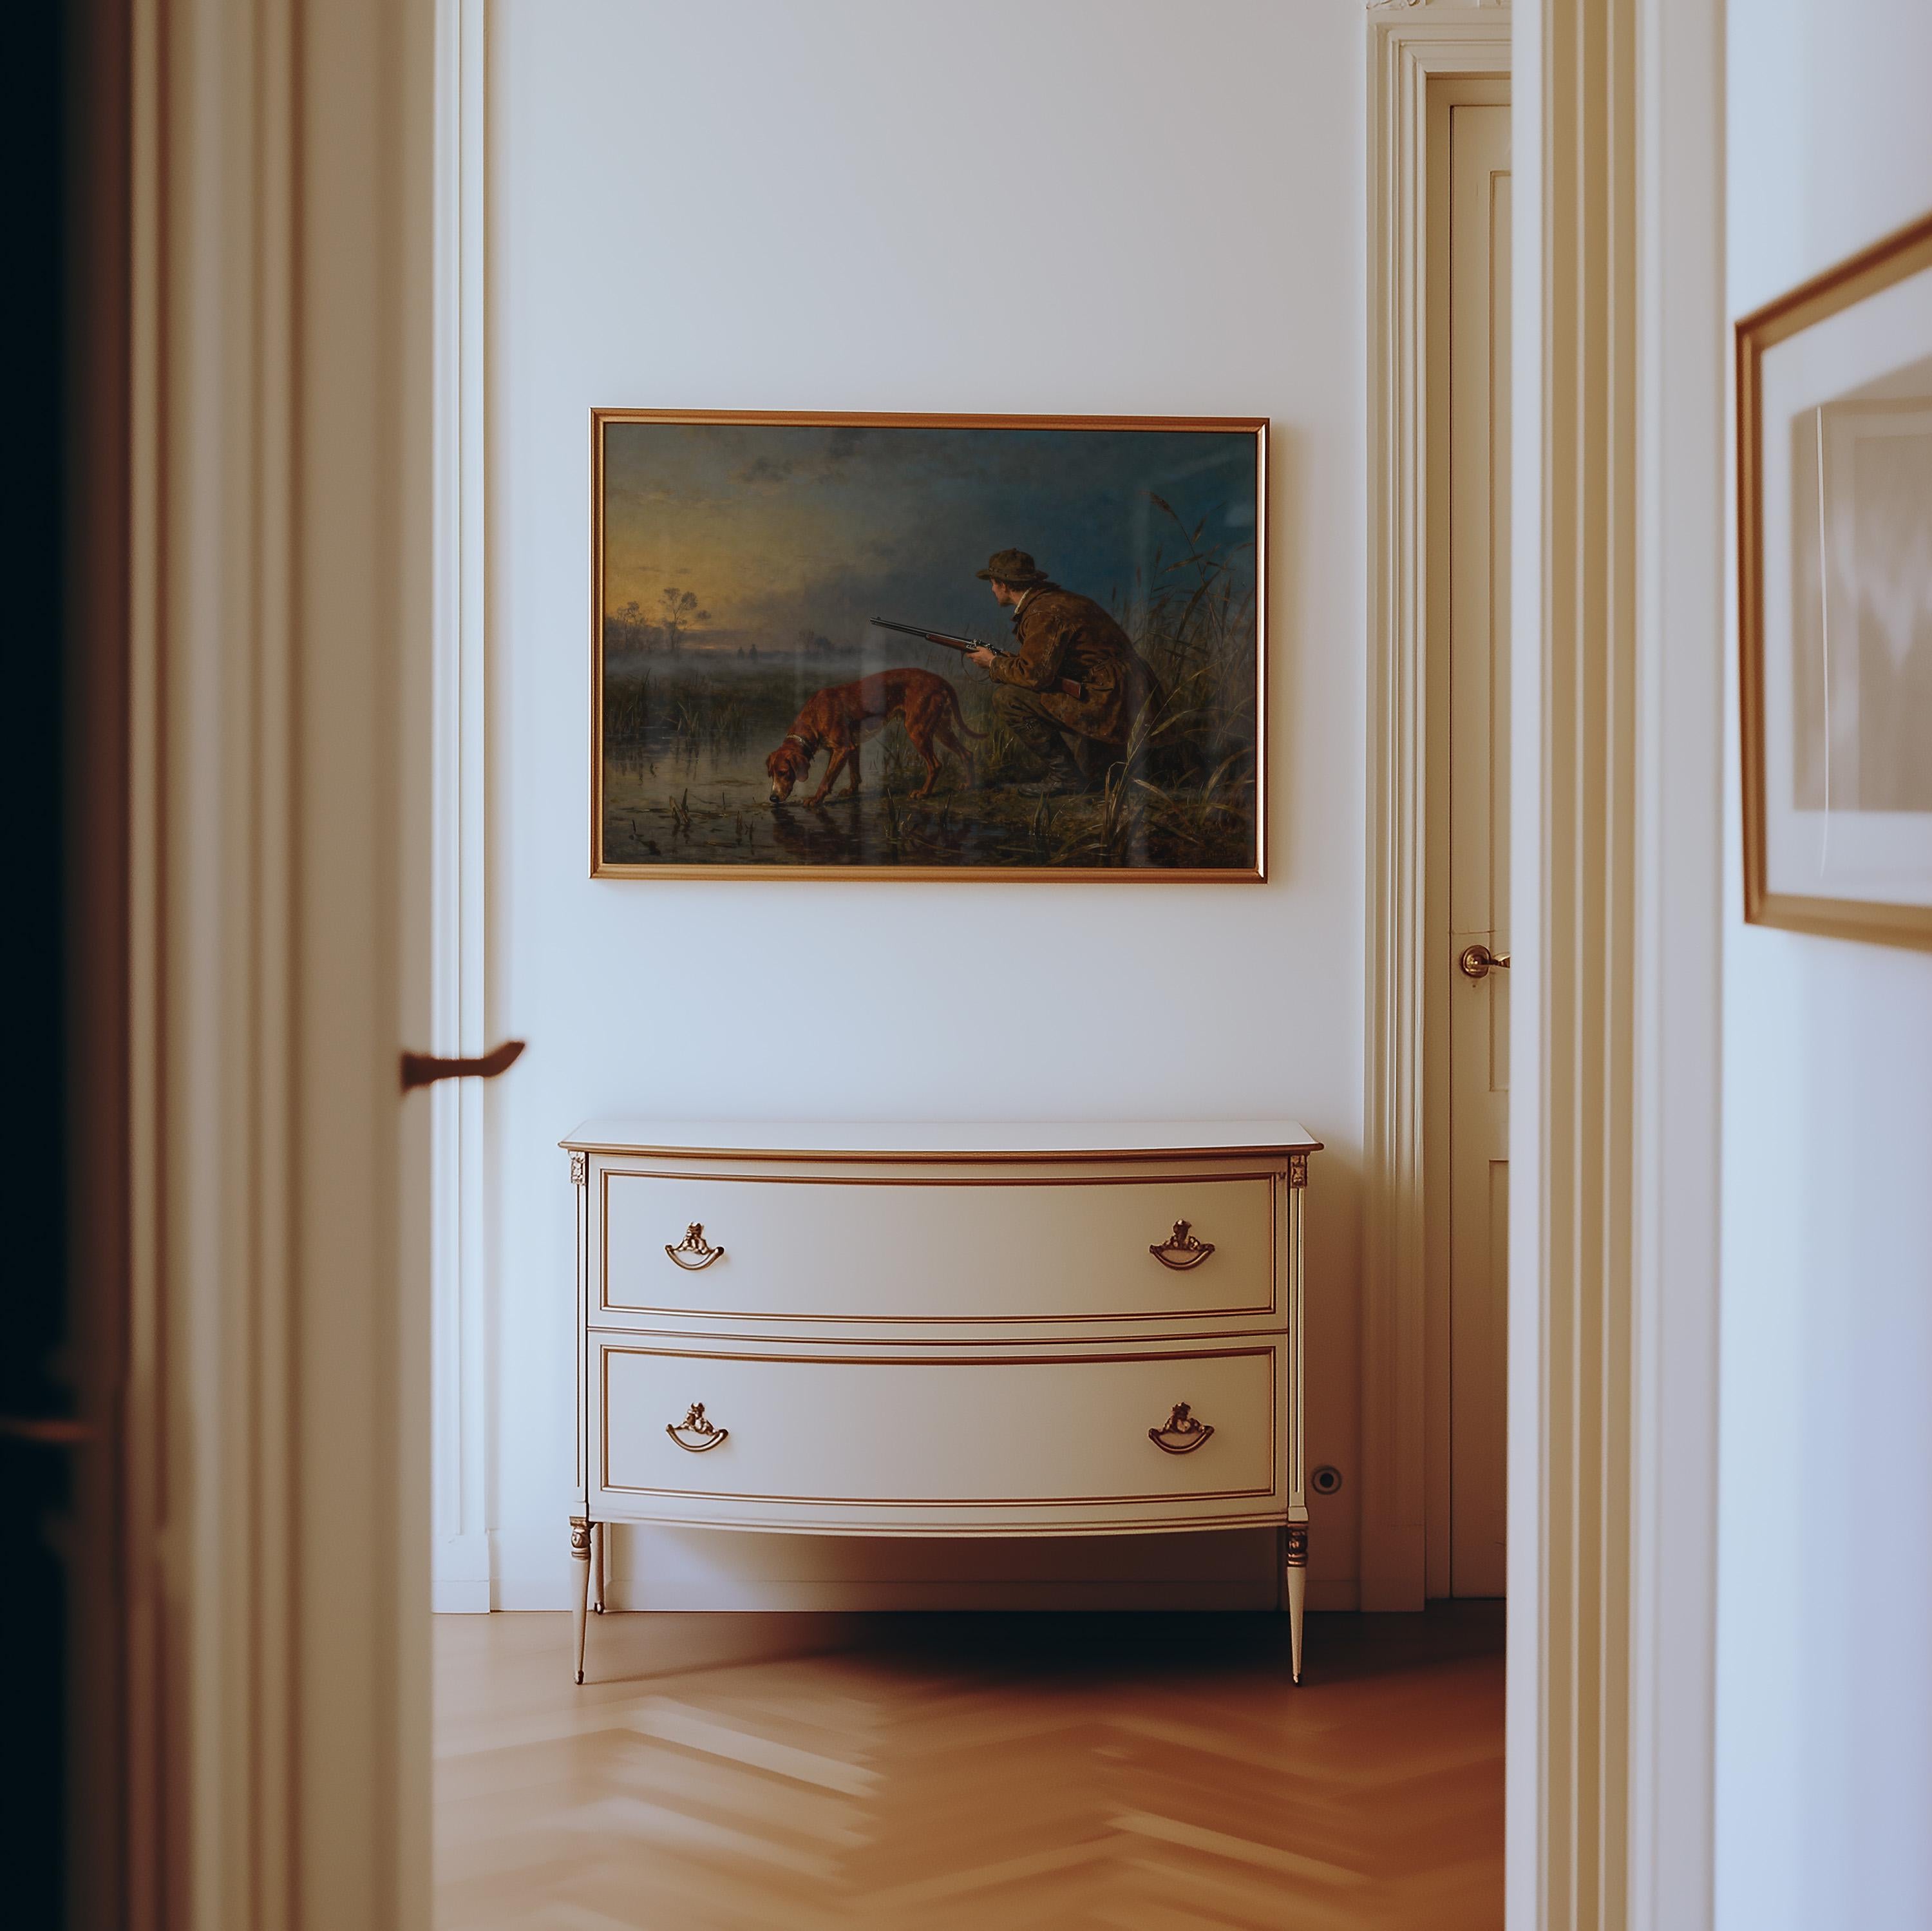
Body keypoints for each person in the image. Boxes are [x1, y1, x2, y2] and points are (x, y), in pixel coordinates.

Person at [964, 548, 1164, 789]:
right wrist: (1004, 659)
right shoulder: (1054, 602)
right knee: (1102, 777)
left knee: (1008, 699)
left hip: (1110, 697)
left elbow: (1035, 676)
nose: (992, 590)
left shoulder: (1043, 612)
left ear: (1004, 585)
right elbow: (1048, 663)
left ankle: (1064, 777)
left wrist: (993, 663)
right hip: (1119, 692)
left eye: (993, 584)